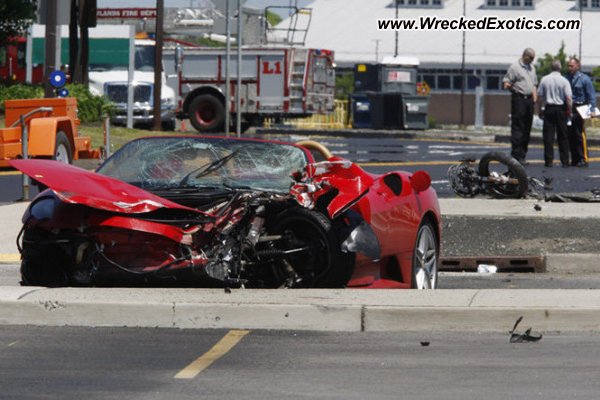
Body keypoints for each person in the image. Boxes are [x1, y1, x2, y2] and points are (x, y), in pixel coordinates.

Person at [503, 48, 538, 166]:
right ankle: (516, 155)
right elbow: (506, 82)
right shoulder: (515, 67)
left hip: (529, 100)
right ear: (525, 56)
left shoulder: (532, 68)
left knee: (527, 128)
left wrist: (535, 98)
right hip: (519, 98)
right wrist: (511, 87)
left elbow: (533, 84)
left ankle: (523, 155)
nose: (532, 61)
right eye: (531, 58)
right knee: (518, 127)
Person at [537, 60, 572, 168]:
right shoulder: (564, 81)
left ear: (551, 68)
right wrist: (569, 111)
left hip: (549, 108)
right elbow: (568, 98)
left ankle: (548, 160)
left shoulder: (544, 79)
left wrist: (540, 109)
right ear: (560, 68)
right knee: (563, 136)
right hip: (560, 109)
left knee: (548, 136)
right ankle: (565, 160)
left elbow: (539, 96)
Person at [566, 57, 597, 167]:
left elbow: (591, 95)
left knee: (579, 134)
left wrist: (592, 110)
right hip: (571, 107)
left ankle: (583, 158)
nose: (569, 68)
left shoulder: (584, 79)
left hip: (581, 107)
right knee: (570, 134)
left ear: (577, 66)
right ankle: (574, 158)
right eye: (568, 65)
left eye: (571, 66)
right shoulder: (567, 78)